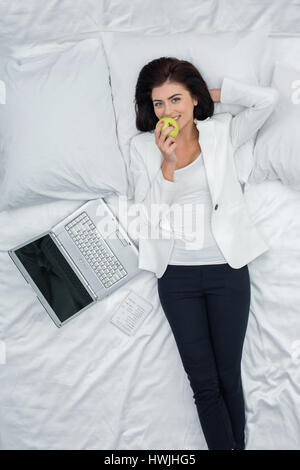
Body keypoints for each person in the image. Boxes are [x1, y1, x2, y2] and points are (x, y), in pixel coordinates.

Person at [129, 57, 278, 450]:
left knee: (228, 374)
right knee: (203, 383)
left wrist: (213, 96)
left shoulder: (222, 133)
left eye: (175, 99)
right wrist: (167, 166)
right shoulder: (143, 150)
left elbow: (267, 101)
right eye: (159, 104)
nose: (167, 111)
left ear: (193, 98)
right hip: (175, 276)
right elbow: (146, 218)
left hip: (226, 270)